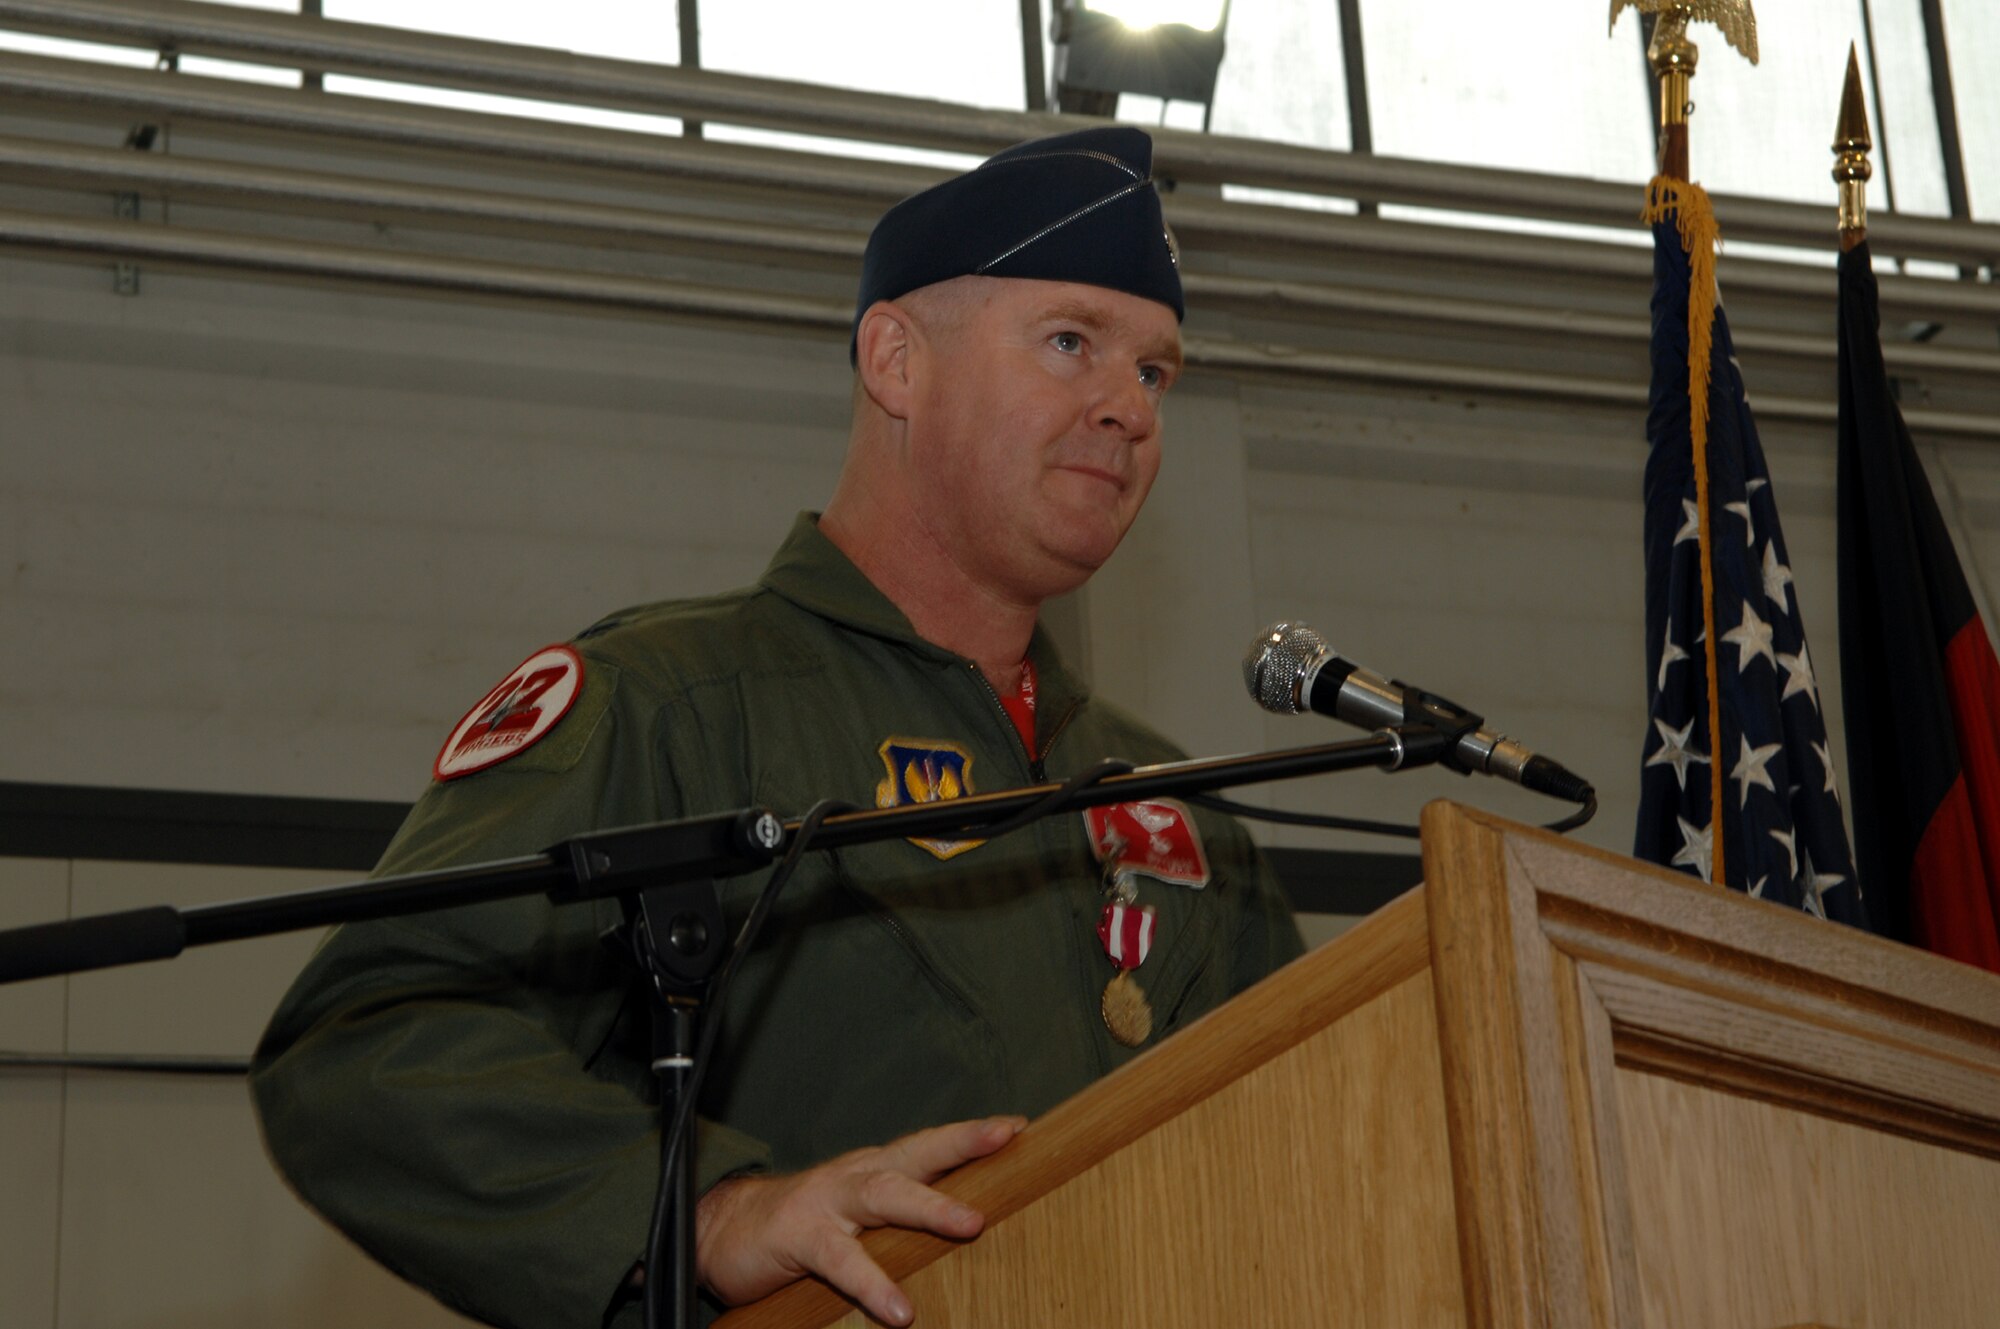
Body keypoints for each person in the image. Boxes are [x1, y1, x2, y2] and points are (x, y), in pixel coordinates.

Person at [251, 125, 1302, 1329]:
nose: (1126, 407)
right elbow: (364, 1044)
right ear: (896, 363)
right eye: (1071, 344)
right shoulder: (672, 703)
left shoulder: (1177, 806)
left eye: (1155, 373)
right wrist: (707, 1211)